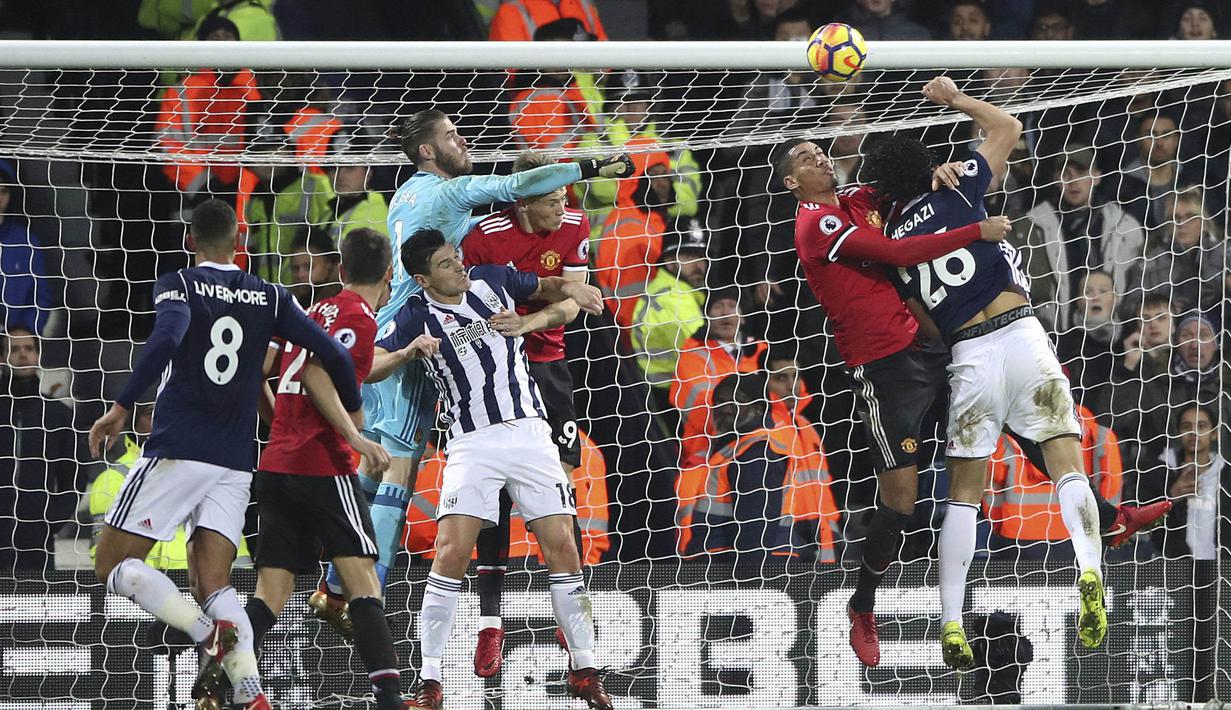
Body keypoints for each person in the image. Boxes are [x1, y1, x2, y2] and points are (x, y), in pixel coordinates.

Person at [861, 76, 1172, 668]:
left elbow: (925, 324)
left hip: (968, 355)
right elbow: (1009, 128)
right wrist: (954, 103)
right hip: (1023, 334)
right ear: (929, 167)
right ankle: (1089, 569)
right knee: (1063, 462)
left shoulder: (892, 249)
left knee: (963, 497)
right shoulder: (955, 194)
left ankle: (952, 620)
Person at [335, 110, 629, 633]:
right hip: (413, 334)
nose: (462, 139)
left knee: (371, 466)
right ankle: (362, 600)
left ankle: (334, 585)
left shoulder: (407, 194)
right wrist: (588, 168)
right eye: (450, 135)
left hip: (391, 325)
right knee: (397, 475)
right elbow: (519, 183)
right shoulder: (449, 193)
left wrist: (562, 288)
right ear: (427, 150)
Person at [86, 200, 364, 710]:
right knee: (213, 584)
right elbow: (337, 354)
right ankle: (252, 694)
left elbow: (168, 335)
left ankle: (210, 638)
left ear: (191, 241)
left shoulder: (180, 283)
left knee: (111, 565)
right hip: (236, 460)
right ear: (240, 243)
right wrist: (354, 409)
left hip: (179, 447)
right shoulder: (271, 295)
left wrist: (122, 404)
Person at [770, 129, 1010, 668]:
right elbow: (897, 251)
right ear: (793, 182)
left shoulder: (858, 199)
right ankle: (863, 605)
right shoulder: (815, 223)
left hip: (928, 342)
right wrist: (977, 229)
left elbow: (903, 189)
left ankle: (1109, 515)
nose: (822, 159)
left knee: (1006, 406)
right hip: (882, 368)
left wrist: (937, 172)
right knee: (901, 499)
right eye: (808, 158)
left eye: (822, 151)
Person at [367, 228, 611, 710]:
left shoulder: (494, 280)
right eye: (445, 263)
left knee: (563, 545)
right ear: (422, 278)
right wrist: (406, 353)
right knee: (451, 551)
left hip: (528, 432)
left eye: (456, 257)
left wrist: (554, 304)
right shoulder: (415, 316)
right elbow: (369, 363)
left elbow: (551, 288)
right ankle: (431, 682)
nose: (458, 265)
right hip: (470, 444)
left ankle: (584, 667)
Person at [197, 229, 408, 710]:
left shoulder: (315, 312)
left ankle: (212, 682)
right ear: (390, 273)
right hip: (323, 464)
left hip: (277, 463)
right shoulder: (358, 315)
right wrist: (356, 439)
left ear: (340, 269)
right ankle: (391, 700)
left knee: (272, 592)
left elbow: (259, 367)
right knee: (364, 582)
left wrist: (279, 425)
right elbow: (316, 373)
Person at [459, 150, 593, 678]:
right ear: (521, 201)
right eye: (551, 201)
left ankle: (572, 617)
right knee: (492, 496)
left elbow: (575, 301)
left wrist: (531, 319)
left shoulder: (577, 224)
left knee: (559, 488)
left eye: (564, 197)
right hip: (491, 372)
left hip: (548, 364)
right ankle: (491, 621)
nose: (562, 209)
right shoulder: (482, 236)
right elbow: (462, 307)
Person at [1012, 144, 1145, 332]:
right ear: (1056, 180)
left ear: (1097, 176)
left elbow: (1135, 283)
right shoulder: (1034, 226)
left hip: (1114, 335)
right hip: (1058, 333)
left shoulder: (1125, 226)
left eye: (1081, 173)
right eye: (1066, 174)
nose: (1073, 181)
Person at [0, 326, 80, 572]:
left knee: (35, 607)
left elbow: (73, 476)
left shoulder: (58, 414)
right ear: (3, 358)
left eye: (29, 349)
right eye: (14, 349)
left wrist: (51, 521)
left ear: (37, 355)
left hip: (37, 538)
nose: (23, 355)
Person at [671, 288, 764, 466]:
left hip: (761, 448)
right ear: (707, 317)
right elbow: (699, 408)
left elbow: (787, 400)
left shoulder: (762, 350)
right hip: (708, 455)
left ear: (742, 316)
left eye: (731, 306)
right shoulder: (692, 353)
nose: (725, 313)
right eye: (718, 306)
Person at [1140, 404, 1228, 558]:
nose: (1193, 433)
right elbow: (1141, 523)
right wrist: (1171, 497)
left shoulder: (1226, 475)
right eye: (1186, 427)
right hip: (1173, 565)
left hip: (1218, 567)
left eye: (1201, 426)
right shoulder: (1159, 471)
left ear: (1214, 434)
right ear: (1179, 432)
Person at [630, 225, 708, 397]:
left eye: (701, 257)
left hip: (663, 386)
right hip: (672, 391)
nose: (698, 266)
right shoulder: (674, 298)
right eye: (689, 257)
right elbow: (703, 352)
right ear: (670, 262)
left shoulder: (665, 288)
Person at [0, 161, 53, 335]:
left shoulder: (27, 241)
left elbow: (41, 296)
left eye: (4, 191)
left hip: (18, 340)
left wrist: (24, 331)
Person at [487, 0, 608, 41]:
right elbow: (513, 73)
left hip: (591, 95)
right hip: (546, 96)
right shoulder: (511, 11)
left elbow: (606, 55)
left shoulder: (580, 3)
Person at [286, 228, 342, 307]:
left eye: (308, 267)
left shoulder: (343, 302)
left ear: (328, 263)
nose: (300, 275)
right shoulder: (288, 303)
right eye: (296, 268)